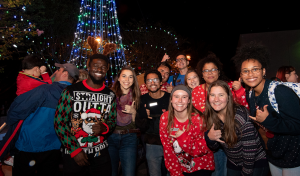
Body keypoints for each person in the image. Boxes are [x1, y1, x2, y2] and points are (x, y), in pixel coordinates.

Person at [232, 41, 300, 175]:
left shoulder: (279, 91)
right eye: (245, 71)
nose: (250, 74)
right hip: (273, 156)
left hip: (293, 157)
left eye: (255, 69)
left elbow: (298, 125)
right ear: (241, 75)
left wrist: (269, 121)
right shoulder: (251, 94)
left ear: (263, 71)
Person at [0, 63, 79, 176]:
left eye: (59, 70)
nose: (55, 72)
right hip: (55, 147)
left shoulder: (45, 90)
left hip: (29, 145)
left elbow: (17, 109)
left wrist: (11, 121)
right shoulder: (75, 95)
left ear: (65, 73)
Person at [54, 54, 116, 176]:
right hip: (74, 155)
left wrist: (105, 127)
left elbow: (112, 120)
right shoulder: (70, 91)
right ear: (88, 66)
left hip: (100, 155)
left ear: (108, 68)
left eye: (103, 67)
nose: (99, 70)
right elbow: (59, 123)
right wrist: (75, 150)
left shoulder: (110, 95)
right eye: (96, 66)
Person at [192, 53, 248, 176]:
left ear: (218, 72)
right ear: (202, 74)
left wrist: (239, 91)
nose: (210, 73)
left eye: (213, 69)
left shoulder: (229, 87)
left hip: (229, 138)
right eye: (206, 70)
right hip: (205, 139)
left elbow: (244, 109)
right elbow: (193, 116)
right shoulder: (196, 92)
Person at [204, 80, 269, 176]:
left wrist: (246, 173)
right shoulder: (211, 116)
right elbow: (215, 147)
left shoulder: (240, 115)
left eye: (221, 95)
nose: (216, 99)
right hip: (234, 162)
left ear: (228, 97)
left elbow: (250, 150)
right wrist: (210, 138)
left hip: (255, 162)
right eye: (212, 95)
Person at [159, 85, 214, 176]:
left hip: (200, 166)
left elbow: (202, 149)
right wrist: (176, 172)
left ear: (189, 101)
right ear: (171, 99)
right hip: (180, 167)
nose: (180, 101)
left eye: (184, 97)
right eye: (176, 97)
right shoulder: (165, 117)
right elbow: (168, 149)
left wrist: (182, 137)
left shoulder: (198, 119)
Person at [136, 69, 170, 176]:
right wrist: (144, 116)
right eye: (149, 80)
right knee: (154, 173)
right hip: (152, 143)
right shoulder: (142, 100)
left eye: (155, 79)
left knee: (172, 172)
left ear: (161, 82)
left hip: (170, 142)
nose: (152, 82)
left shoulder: (170, 98)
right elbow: (140, 125)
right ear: (145, 84)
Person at [108, 66, 141, 176]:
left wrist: (134, 113)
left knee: (129, 173)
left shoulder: (138, 96)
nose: (127, 80)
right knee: (111, 172)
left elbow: (142, 124)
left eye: (130, 77)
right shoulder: (109, 95)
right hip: (111, 138)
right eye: (124, 76)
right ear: (118, 78)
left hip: (129, 138)